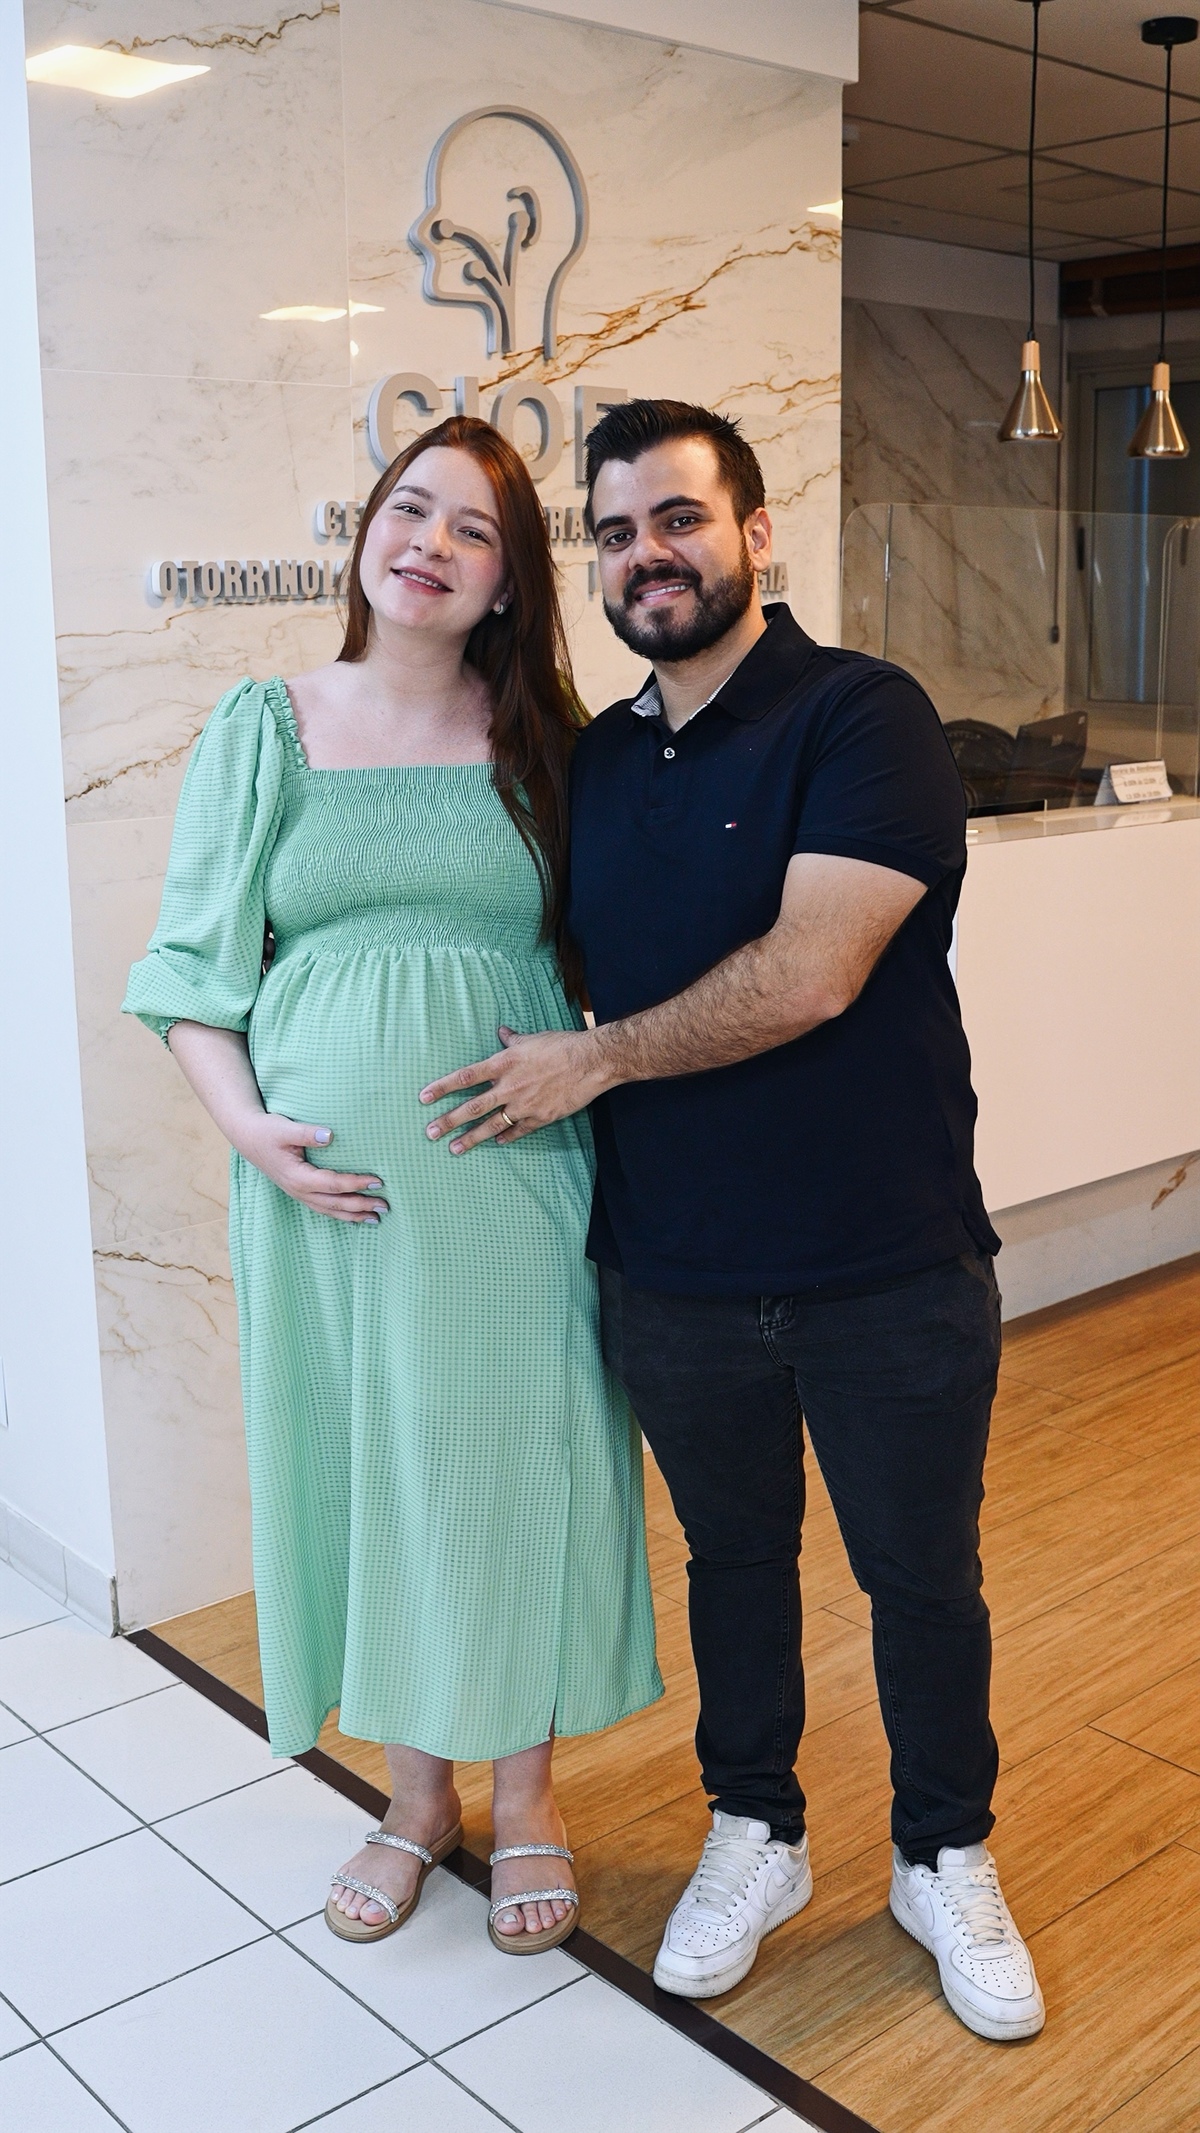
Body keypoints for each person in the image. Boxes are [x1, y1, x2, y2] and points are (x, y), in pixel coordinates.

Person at [417, 400, 1044, 2039]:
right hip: (676, 1271)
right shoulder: (599, 762)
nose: (649, 556)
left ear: (756, 533)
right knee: (736, 1566)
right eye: (617, 532)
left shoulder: (862, 713)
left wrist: (595, 1058)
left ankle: (943, 1851)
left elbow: (813, 970)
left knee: (921, 1576)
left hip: (886, 1260)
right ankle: (756, 1827)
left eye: (680, 519)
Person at [124, 415, 662, 1957]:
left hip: (514, 1177)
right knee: (377, 1461)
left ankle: (528, 1791)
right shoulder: (265, 725)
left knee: (515, 1458)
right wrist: (250, 1131)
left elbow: (623, 950)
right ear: (368, 530)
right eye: (410, 509)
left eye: (473, 529)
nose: (429, 543)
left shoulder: (554, 743)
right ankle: (415, 1796)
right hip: (329, 1197)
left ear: (507, 581)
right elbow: (189, 971)